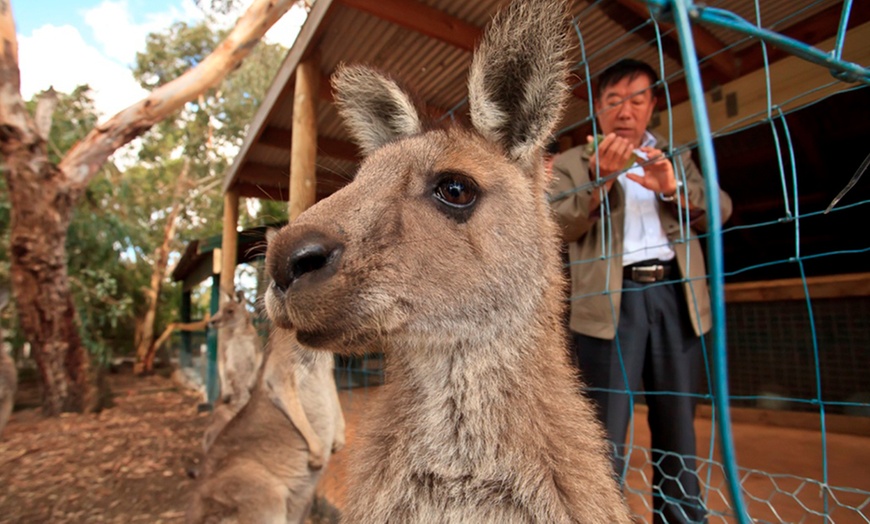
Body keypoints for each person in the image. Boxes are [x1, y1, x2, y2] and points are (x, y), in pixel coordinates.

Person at [549, 59, 732, 524]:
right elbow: (555, 227)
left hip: (677, 299)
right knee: (604, 431)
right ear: (597, 108)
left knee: (678, 427)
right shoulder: (572, 162)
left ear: (652, 105)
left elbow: (721, 210)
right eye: (613, 101)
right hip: (608, 307)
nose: (624, 111)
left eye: (635, 99)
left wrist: (672, 189)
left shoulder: (675, 156)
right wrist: (600, 181)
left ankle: (681, 517)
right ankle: (601, 516)